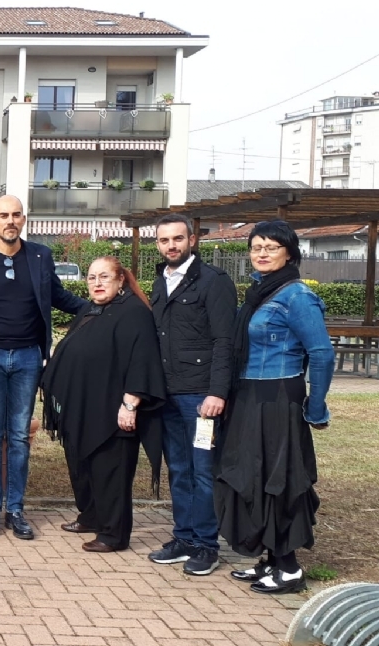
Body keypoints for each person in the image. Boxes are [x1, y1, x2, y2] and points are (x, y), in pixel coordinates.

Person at [215, 220, 333, 594]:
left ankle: (290, 567)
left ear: (290, 253)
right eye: (256, 247)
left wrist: (315, 409)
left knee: (279, 480)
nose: (262, 253)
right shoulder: (259, 293)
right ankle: (269, 558)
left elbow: (322, 354)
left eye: (271, 247)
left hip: (279, 397)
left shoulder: (297, 296)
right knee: (252, 476)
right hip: (249, 396)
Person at [0, 195, 85, 540]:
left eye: (16, 215)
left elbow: (59, 297)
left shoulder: (41, 257)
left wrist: (101, 308)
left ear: (24, 219)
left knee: (18, 437)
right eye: (4, 215)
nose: (10, 220)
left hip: (29, 357)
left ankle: (14, 510)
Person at [40, 256, 166, 553]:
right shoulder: (91, 309)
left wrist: (131, 403)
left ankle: (113, 534)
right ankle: (91, 516)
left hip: (113, 411)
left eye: (104, 277)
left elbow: (142, 360)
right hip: (84, 408)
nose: (97, 283)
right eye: (92, 277)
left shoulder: (133, 312)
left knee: (111, 472)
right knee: (85, 467)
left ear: (121, 280)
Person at [146, 214, 237, 576]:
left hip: (200, 397)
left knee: (203, 472)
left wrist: (217, 391)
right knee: (178, 471)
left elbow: (224, 341)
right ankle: (183, 537)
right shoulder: (159, 282)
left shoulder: (213, 282)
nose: (172, 246)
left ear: (192, 240)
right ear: (158, 244)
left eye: (178, 239)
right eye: (165, 240)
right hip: (167, 394)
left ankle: (206, 545)